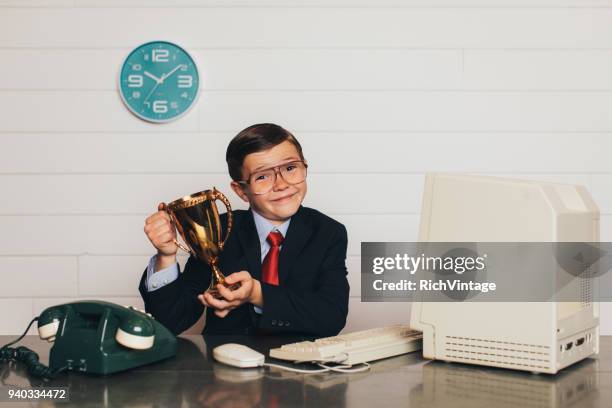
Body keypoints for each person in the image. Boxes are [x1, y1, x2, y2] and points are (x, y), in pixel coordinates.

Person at [139, 123, 350, 336]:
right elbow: (171, 322)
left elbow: (332, 316)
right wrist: (165, 257)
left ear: (304, 167)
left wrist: (258, 294)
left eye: (289, 168)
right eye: (262, 176)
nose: (281, 184)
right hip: (226, 363)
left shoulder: (329, 232)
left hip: (302, 365)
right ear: (241, 191)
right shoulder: (216, 231)